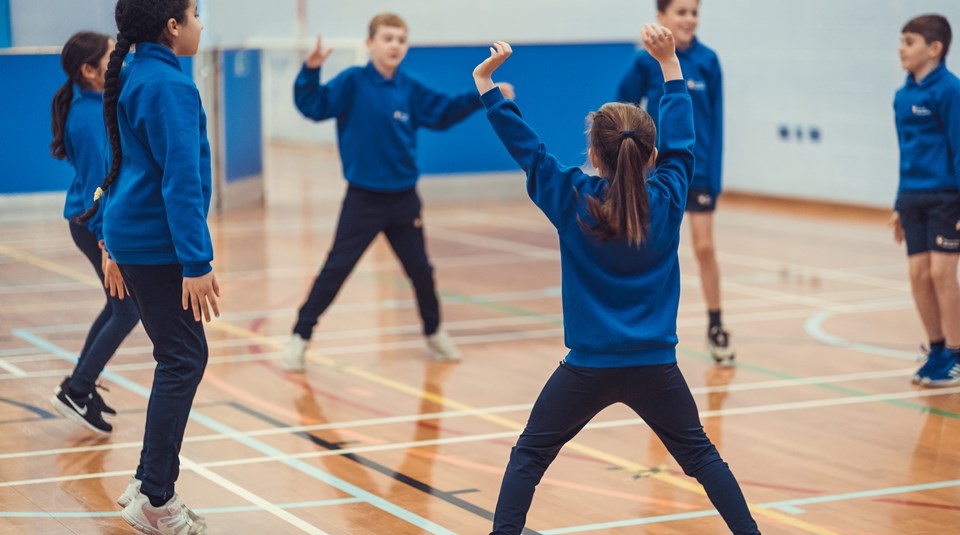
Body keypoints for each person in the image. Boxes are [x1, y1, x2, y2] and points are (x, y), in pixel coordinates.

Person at [474, 26, 759, 535]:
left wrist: (487, 85)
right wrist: (671, 64)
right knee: (703, 459)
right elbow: (684, 140)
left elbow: (528, 149)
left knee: (528, 459)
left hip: (587, 369)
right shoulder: (671, 198)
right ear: (651, 155)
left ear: (594, 152)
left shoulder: (569, 196)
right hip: (656, 367)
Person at [283, 13, 514, 371]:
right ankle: (300, 336)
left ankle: (435, 333)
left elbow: (444, 113)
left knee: (421, 271)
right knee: (336, 270)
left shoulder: (411, 87)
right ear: (370, 44)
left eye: (400, 39)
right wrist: (310, 71)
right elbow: (313, 106)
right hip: (362, 199)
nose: (394, 45)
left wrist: (483, 95)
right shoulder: (352, 82)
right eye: (387, 38)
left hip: (404, 199)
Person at [77, 0, 216, 531]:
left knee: (180, 355)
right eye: (196, 14)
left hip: (133, 240)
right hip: (158, 247)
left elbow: (119, 164)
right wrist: (196, 260)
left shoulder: (134, 73)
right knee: (183, 360)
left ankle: (146, 479)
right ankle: (156, 496)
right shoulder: (168, 86)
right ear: (173, 25)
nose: (202, 25)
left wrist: (110, 239)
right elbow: (180, 180)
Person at [617, 0, 733, 366]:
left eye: (694, 12)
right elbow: (621, 109)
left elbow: (716, 122)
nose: (689, 19)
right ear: (661, 17)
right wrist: (634, 163)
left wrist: (713, 178)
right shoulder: (643, 61)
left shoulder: (709, 61)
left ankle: (716, 326)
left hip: (696, 173)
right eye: (681, 12)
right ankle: (644, 327)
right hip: (655, 173)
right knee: (651, 247)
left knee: (704, 247)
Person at [49, 30, 140, 436]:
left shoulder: (94, 104)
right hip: (93, 226)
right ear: (88, 70)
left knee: (117, 307)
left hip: (93, 223)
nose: (118, 59)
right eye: (110, 55)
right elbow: (94, 188)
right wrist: (108, 245)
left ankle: (80, 384)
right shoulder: (87, 121)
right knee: (127, 309)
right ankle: (78, 388)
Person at [892, 14, 960, 387]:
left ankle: (956, 352)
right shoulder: (902, 96)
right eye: (901, 41)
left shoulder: (950, 91)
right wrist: (898, 204)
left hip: (946, 198)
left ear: (935, 49)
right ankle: (936, 348)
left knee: (941, 274)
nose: (901, 49)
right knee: (918, 275)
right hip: (913, 198)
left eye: (909, 41)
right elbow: (905, 153)